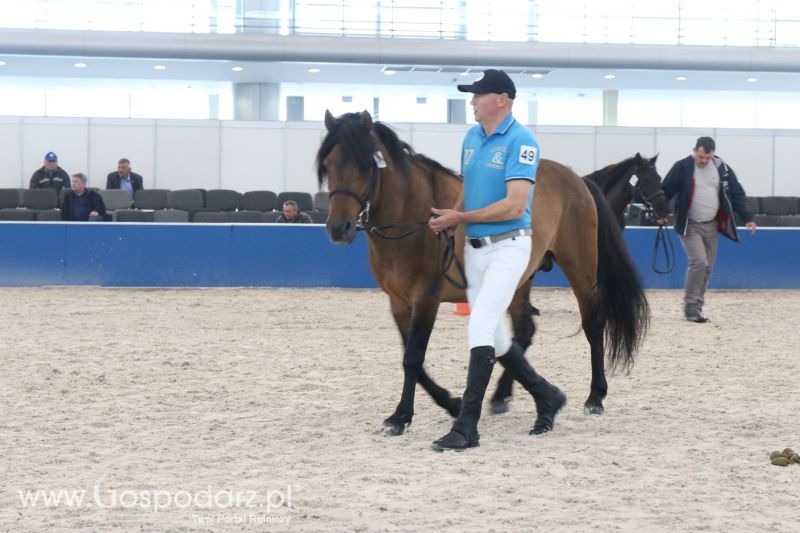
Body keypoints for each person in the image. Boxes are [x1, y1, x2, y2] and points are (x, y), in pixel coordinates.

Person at [428, 69, 566, 451]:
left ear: (501, 99)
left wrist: (461, 219)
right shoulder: (472, 137)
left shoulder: (523, 142)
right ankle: (546, 394)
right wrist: (450, 216)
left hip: (509, 247)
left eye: (477, 95)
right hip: (475, 249)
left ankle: (466, 426)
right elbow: (468, 188)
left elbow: (514, 204)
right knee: (500, 339)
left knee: (481, 326)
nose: (471, 101)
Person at [661, 136, 757, 323]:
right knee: (699, 262)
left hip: (713, 225)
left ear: (712, 155)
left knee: (707, 268)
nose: (703, 161)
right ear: (694, 151)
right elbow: (665, 191)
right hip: (690, 224)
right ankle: (690, 305)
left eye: (707, 158)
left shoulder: (722, 168)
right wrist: (659, 211)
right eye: (700, 157)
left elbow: (737, 193)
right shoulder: (682, 167)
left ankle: (696, 308)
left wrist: (748, 218)